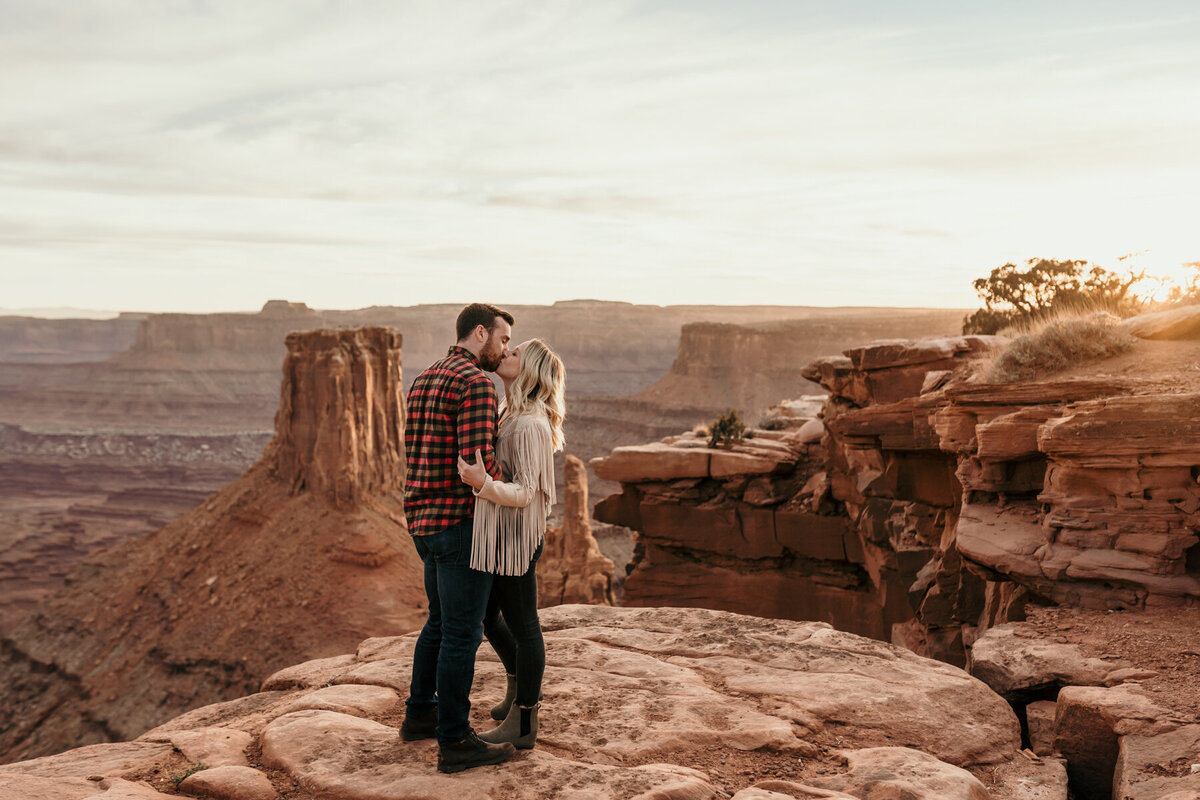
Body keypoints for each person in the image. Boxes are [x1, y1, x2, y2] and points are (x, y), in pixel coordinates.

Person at [399, 302, 517, 774]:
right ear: (482, 333)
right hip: (459, 524)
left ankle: (419, 715)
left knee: (439, 624)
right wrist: (509, 477)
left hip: (421, 521)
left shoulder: (425, 376)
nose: (505, 348)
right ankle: (455, 740)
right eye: (504, 339)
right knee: (462, 635)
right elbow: (477, 466)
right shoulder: (475, 383)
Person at [457, 338, 565, 751]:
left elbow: (527, 494)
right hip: (499, 538)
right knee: (487, 617)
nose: (505, 354)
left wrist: (482, 484)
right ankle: (518, 685)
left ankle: (524, 721)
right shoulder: (511, 414)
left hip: (517, 542)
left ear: (530, 371)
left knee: (525, 628)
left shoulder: (530, 425)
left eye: (515, 353)